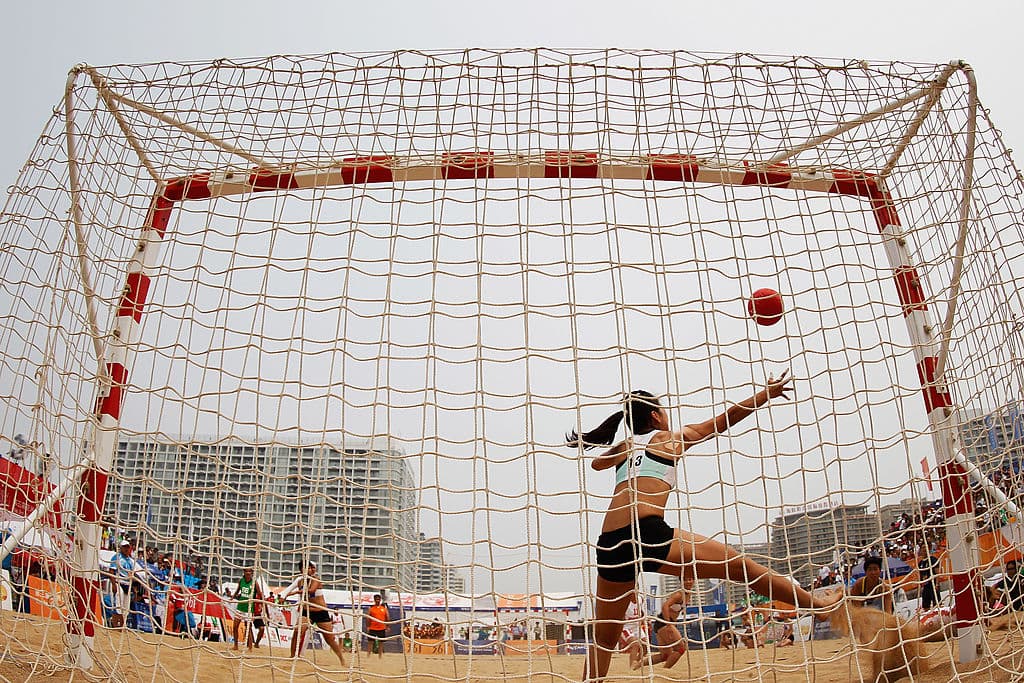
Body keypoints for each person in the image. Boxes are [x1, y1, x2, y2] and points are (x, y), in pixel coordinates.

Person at [567, 375, 841, 682]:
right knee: (743, 567)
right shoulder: (668, 438)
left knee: (604, 639)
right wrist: (766, 394)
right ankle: (817, 606)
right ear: (656, 416)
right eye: (663, 410)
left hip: (609, 544)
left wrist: (617, 443)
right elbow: (725, 419)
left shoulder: (624, 447)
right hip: (646, 532)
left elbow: (597, 465)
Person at [281, 562, 345, 665]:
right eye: (305, 568)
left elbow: (311, 590)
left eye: (310, 568)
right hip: (307, 611)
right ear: (301, 570)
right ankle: (292, 656)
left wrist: (294, 593)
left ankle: (342, 659)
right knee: (297, 631)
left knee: (329, 639)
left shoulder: (316, 579)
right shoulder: (300, 581)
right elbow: (303, 596)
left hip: (320, 611)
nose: (308, 570)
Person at [631, 589, 688, 670]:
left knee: (665, 655)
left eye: (691, 579)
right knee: (680, 648)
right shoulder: (679, 594)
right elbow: (665, 606)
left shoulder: (688, 595)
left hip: (664, 623)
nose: (689, 582)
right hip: (665, 622)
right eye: (686, 579)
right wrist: (669, 625)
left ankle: (638, 665)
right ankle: (665, 670)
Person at [231, 568, 263, 651]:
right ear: (244, 572)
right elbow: (238, 591)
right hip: (240, 607)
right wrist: (232, 597)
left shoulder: (254, 582)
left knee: (248, 628)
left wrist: (261, 603)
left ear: (252, 573)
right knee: (235, 626)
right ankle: (235, 645)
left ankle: (250, 647)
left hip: (249, 609)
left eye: (250, 571)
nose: (248, 573)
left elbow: (260, 593)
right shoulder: (241, 581)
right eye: (246, 571)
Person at [366, 593, 389, 658]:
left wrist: (387, 626)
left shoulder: (383, 608)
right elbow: (368, 617)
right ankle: (368, 655)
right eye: (376, 599)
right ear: (374, 600)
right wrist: (368, 627)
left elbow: (387, 617)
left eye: (378, 599)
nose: (377, 600)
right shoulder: (371, 608)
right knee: (370, 642)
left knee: (381, 643)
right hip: (372, 627)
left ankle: (380, 656)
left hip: (381, 628)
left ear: (380, 600)